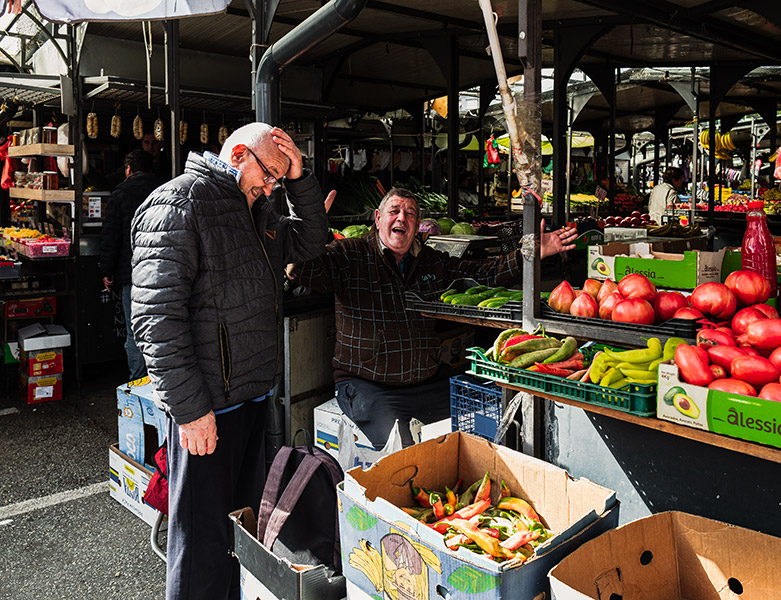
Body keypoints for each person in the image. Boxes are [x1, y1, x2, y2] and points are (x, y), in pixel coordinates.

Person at [130, 123, 328, 600]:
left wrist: (299, 179)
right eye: (269, 176)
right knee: (201, 545)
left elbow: (311, 242)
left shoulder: (256, 208)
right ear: (239, 154)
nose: (271, 187)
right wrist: (191, 411)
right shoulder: (179, 202)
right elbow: (156, 318)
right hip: (208, 411)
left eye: (278, 180)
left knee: (241, 535)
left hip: (251, 397)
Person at [287, 187, 577, 449]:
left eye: (410, 214)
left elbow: (483, 274)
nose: (402, 218)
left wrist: (532, 252)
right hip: (367, 386)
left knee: (484, 423)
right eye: (394, 211)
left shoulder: (430, 260)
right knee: (405, 448)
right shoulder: (350, 254)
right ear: (378, 218)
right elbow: (299, 271)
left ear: (416, 226)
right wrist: (308, 232)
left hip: (426, 382)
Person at [98, 149, 162, 381]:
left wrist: (106, 271)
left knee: (135, 332)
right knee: (164, 330)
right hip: (164, 272)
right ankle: (162, 381)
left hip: (132, 275)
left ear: (128, 170)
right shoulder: (166, 188)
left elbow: (111, 236)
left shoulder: (120, 194)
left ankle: (137, 382)